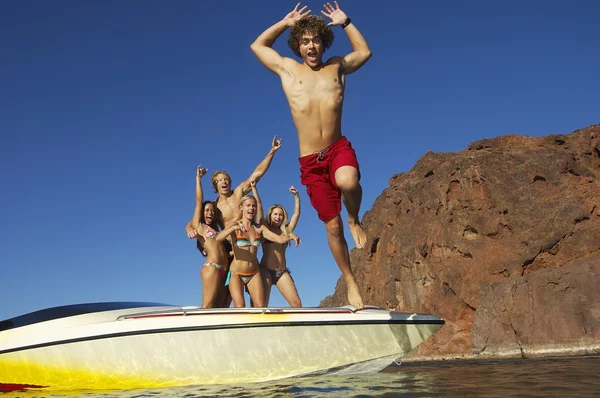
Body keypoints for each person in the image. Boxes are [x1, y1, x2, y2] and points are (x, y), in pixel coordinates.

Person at [250, 2, 372, 308]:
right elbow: (258, 45)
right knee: (332, 227)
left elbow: (364, 52)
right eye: (304, 41)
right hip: (311, 162)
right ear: (297, 45)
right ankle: (350, 279)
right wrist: (284, 21)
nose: (311, 45)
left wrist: (346, 22)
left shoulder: (336, 66)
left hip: (337, 148)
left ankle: (355, 218)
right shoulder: (288, 70)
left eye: (315, 39)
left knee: (348, 180)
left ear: (323, 41)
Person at [216, 194, 301, 308]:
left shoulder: (259, 228)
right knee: (240, 305)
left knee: (260, 306)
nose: (251, 208)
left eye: (254, 206)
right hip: (236, 273)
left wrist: (290, 236)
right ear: (241, 207)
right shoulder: (235, 224)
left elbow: (279, 239)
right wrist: (232, 229)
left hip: (254, 272)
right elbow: (218, 238)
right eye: (248, 206)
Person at [189, 166, 229, 308]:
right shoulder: (200, 227)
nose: (210, 213)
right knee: (207, 306)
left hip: (224, 270)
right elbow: (199, 200)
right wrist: (198, 179)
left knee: (220, 307)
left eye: (212, 211)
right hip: (212, 267)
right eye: (207, 210)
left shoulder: (216, 231)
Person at [258, 186, 302, 307]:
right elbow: (259, 209)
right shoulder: (265, 229)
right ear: (270, 215)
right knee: (262, 306)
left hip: (281, 272)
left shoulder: (286, 230)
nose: (278, 217)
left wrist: (296, 196)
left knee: (296, 303)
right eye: (275, 214)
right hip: (265, 271)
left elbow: (296, 214)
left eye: (280, 215)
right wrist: (255, 188)